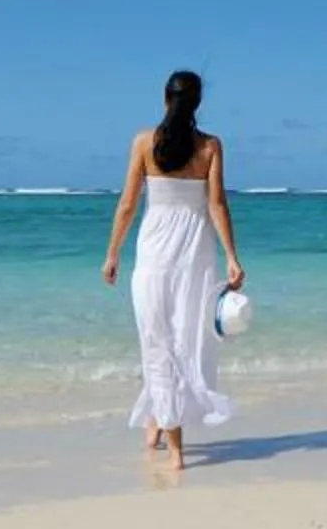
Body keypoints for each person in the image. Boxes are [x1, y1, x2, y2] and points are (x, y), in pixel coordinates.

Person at [100, 68, 245, 470]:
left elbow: (128, 204)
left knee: (156, 342)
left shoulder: (144, 142)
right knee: (184, 342)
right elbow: (217, 205)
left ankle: (173, 446)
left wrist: (112, 252)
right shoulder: (211, 147)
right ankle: (158, 421)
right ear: (197, 104)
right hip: (194, 256)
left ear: (166, 99)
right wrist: (232, 255)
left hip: (153, 255)